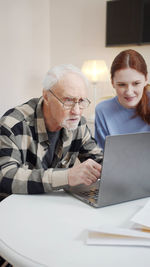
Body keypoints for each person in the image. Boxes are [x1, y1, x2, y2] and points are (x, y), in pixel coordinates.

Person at [0, 64, 103, 198]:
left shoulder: (78, 124)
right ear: (46, 96)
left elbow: (98, 160)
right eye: (68, 100)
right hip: (14, 208)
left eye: (81, 101)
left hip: (53, 205)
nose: (76, 111)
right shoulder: (13, 124)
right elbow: (5, 176)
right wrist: (67, 176)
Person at [95, 49, 150, 149]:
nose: (129, 92)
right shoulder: (102, 110)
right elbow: (101, 156)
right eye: (122, 85)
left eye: (136, 83)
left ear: (146, 79)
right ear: (112, 82)